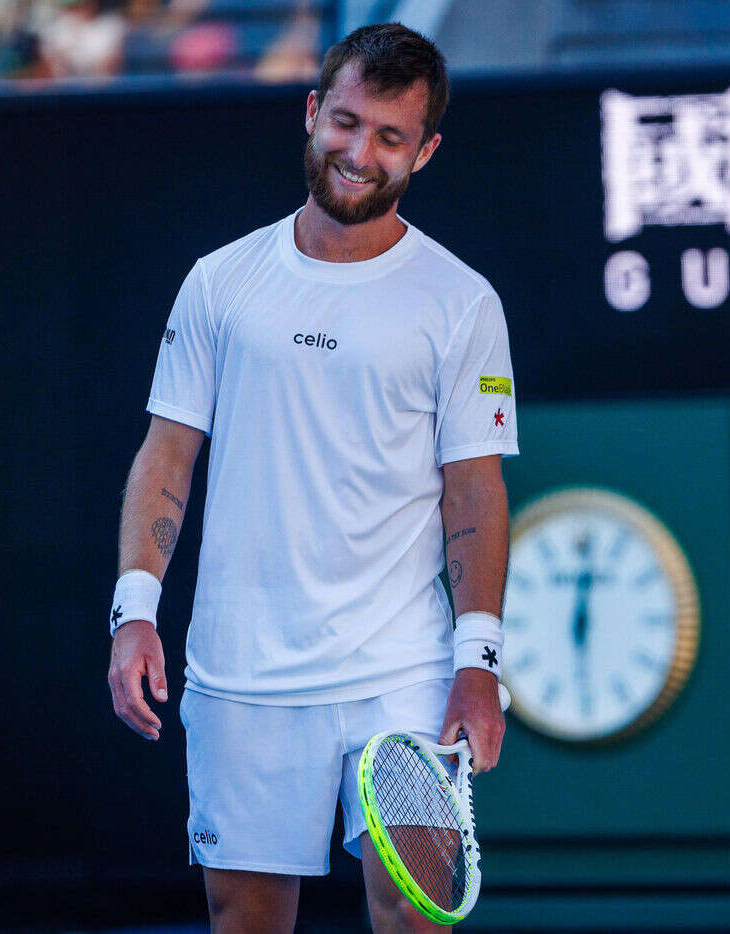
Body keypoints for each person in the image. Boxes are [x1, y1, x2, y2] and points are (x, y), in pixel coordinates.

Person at [106, 22, 516, 933]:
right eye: (346, 121)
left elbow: (475, 494)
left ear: (426, 151)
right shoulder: (220, 283)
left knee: (417, 919)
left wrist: (477, 665)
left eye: (390, 137)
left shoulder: (462, 303)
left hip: (401, 671)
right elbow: (166, 457)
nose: (359, 152)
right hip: (242, 675)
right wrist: (135, 610)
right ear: (312, 111)